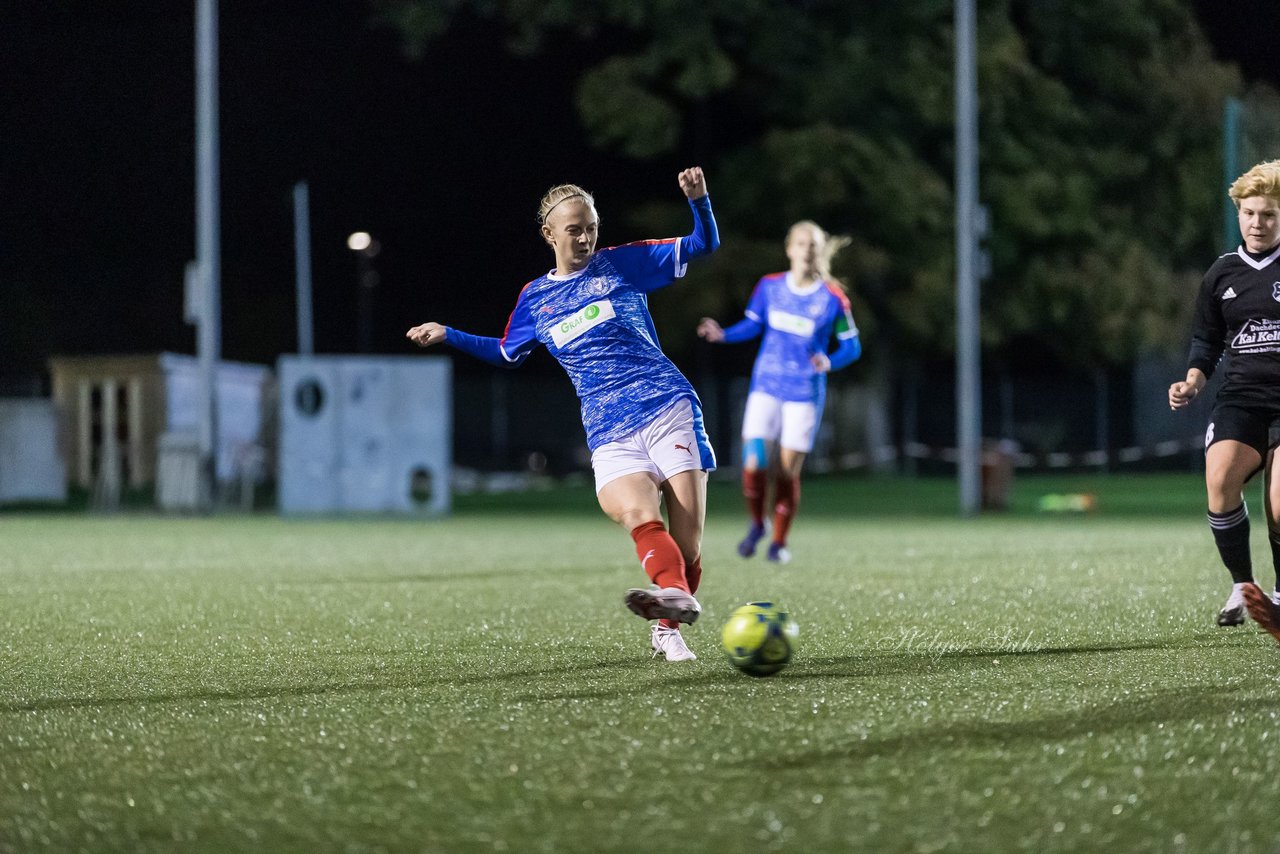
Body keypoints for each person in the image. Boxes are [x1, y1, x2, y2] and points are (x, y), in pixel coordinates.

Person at [407, 168, 719, 662]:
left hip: (666, 407)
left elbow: (703, 244)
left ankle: (667, 617)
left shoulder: (622, 265)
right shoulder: (535, 299)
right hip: (608, 429)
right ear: (549, 234)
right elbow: (509, 352)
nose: (586, 236)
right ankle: (673, 610)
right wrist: (450, 333)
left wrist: (699, 200)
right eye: (574, 229)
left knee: (688, 544)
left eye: (591, 226)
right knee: (640, 515)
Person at [697, 220, 862, 564]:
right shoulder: (770, 287)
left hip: (803, 392)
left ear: (820, 251)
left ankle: (778, 542)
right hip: (766, 386)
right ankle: (758, 522)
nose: (807, 250)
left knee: (787, 472)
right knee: (754, 462)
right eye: (801, 243)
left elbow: (851, 346)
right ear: (789, 249)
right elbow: (754, 324)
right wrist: (723, 334)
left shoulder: (833, 298)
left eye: (813, 244)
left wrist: (829, 361)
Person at [1169, 159, 1280, 633]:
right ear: (1238, 213)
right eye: (1251, 213)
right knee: (1219, 480)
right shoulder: (1221, 274)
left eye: (1270, 214)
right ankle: (1243, 585)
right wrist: (1193, 380)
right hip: (1240, 397)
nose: (1258, 222)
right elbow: (1206, 340)